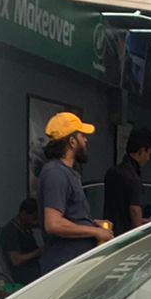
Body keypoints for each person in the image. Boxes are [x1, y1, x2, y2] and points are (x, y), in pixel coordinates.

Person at [38, 112, 112, 274]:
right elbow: (54, 224)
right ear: (72, 142)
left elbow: (70, 217)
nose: (86, 140)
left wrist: (93, 223)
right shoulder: (56, 173)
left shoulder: (67, 173)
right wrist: (95, 231)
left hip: (75, 266)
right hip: (64, 267)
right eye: (82, 136)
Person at [104, 128, 151, 235]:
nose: (148, 158)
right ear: (142, 151)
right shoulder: (133, 178)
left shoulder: (112, 172)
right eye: (149, 153)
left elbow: (120, 213)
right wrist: (138, 235)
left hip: (109, 233)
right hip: (126, 237)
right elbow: (135, 211)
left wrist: (146, 221)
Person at [0, 198, 42, 294]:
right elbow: (16, 260)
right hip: (23, 273)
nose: (34, 222)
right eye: (33, 219)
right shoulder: (10, 232)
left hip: (34, 267)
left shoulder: (26, 228)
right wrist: (38, 252)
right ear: (23, 214)